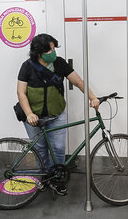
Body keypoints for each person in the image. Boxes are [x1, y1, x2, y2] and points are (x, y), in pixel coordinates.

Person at [17, 33, 100, 196]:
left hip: (57, 114)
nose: (53, 52)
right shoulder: (27, 66)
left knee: (58, 148)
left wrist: (92, 97)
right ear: (39, 53)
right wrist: (29, 114)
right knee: (40, 150)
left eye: (54, 48)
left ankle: (56, 179)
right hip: (33, 117)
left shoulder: (59, 63)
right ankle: (44, 178)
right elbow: (21, 93)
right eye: (50, 50)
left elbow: (78, 82)